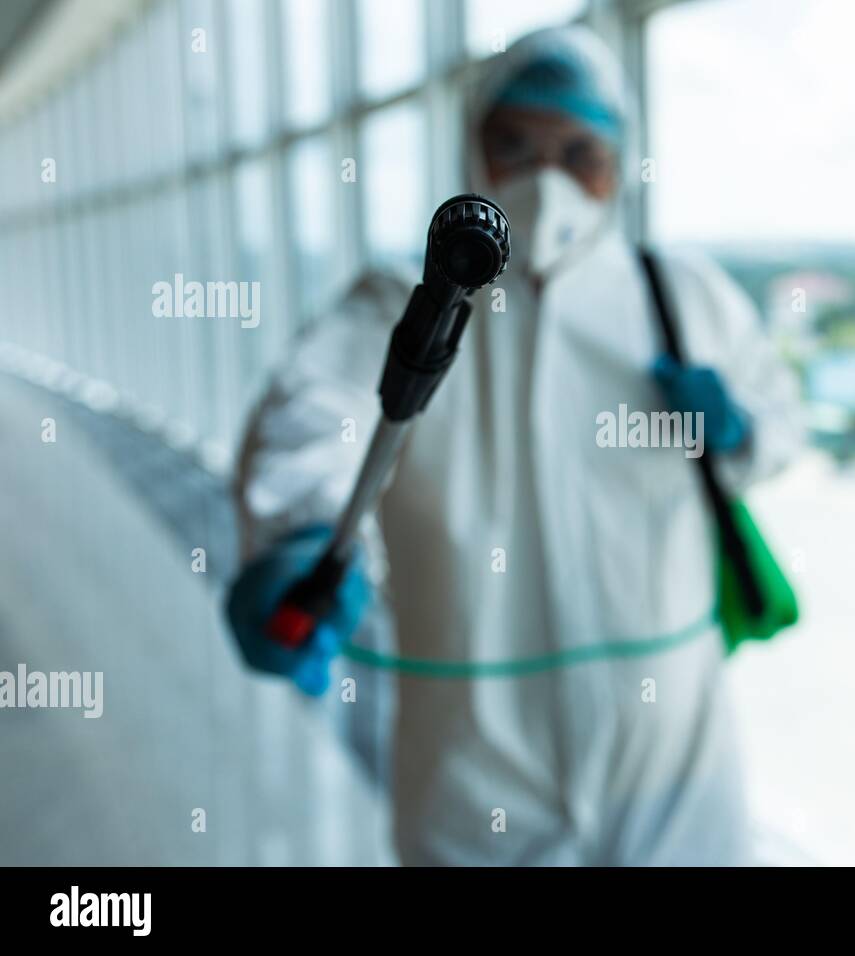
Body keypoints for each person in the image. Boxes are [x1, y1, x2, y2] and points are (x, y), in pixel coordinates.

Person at [226, 25, 801, 865]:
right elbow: (314, 413)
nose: (549, 179)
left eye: (580, 152)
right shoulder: (406, 299)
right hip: (475, 769)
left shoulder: (680, 297)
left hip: (673, 753)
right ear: (471, 150)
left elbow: (782, 421)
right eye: (515, 145)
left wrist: (743, 431)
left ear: (619, 162)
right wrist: (301, 539)